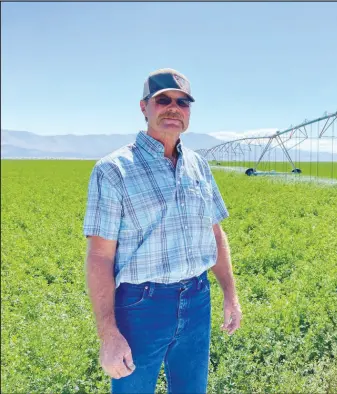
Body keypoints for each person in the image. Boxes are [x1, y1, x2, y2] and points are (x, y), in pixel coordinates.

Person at [82, 68, 242, 394]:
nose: (174, 107)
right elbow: (99, 256)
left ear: (189, 112)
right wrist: (109, 335)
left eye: (183, 102)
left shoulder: (198, 165)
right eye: (163, 99)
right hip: (141, 307)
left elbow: (215, 234)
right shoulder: (113, 170)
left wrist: (230, 294)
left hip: (197, 299)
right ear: (144, 107)